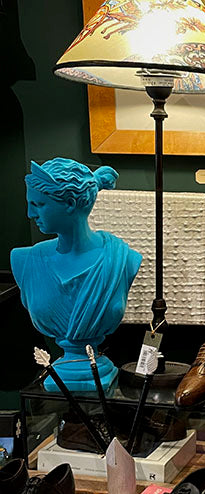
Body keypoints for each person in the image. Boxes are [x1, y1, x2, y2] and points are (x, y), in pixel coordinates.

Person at [11, 159, 141, 391]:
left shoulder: (121, 259)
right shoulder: (24, 260)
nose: (30, 213)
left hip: (100, 375)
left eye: (39, 204)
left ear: (70, 203)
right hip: (62, 376)